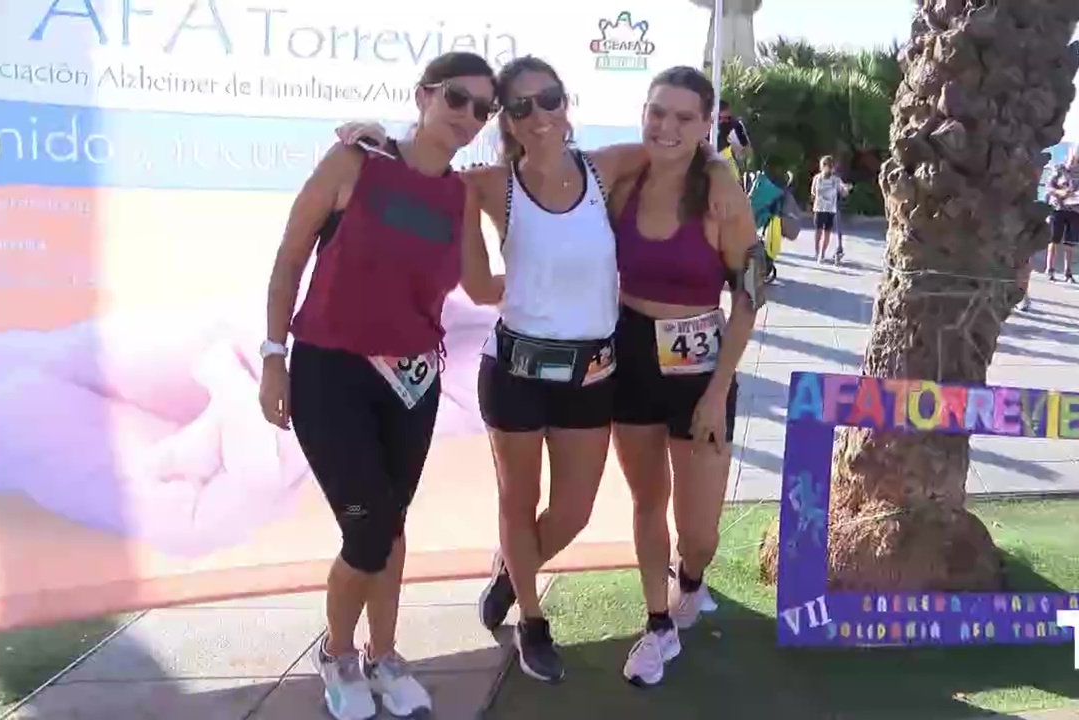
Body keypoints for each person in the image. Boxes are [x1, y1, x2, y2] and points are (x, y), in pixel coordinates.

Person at [335, 56, 742, 685]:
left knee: (575, 512)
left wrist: (721, 168)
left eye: (547, 98)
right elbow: (448, 224)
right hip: (517, 371)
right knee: (518, 502)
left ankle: (511, 570)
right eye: (520, 106)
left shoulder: (608, 167)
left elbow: (681, 149)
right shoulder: (488, 185)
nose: (539, 115)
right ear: (507, 120)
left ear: (565, 101)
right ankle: (531, 619)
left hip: (592, 375)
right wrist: (374, 135)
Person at [258, 52, 504, 720]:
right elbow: (289, 258)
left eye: (485, 109)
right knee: (366, 528)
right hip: (329, 370)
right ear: (423, 95)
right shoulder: (356, 162)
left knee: (391, 526)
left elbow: (481, 287)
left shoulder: (460, 195)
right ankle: (337, 654)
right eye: (457, 98)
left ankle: (385, 654)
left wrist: (570, 286)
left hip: (413, 379)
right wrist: (274, 355)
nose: (469, 116)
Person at [610, 66, 760, 687]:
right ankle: (656, 625)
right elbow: (534, 163)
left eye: (683, 117)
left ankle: (690, 580)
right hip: (631, 353)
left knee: (698, 532)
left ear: (706, 126)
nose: (666, 126)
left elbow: (749, 296)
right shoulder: (621, 176)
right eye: (656, 112)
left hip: (700, 363)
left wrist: (718, 389)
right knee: (648, 499)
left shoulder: (721, 190)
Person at [1044, 144, 1079, 282]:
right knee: (1054, 240)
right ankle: (1050, 269)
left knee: (1070, 243)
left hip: (1075, 209)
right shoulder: (1059, 168)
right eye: (1072, 157)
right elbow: (1049, 186)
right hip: (1058, 207)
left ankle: (1068, 272)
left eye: (1077, 158)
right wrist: (1061, 192)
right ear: (1068, 154)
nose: (1073, 161)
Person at [810, 156, 847, 264]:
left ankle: (822, 253)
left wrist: (845, 190)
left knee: (827, 232)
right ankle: (817, 251)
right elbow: (813, 192)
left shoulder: (836, 180)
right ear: (822, 167)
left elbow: (843, 192)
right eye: (825, 166)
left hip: (830, 209)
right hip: (819, 208)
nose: (828, 169)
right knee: (818, 231)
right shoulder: (817, 178)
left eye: (830, 166)